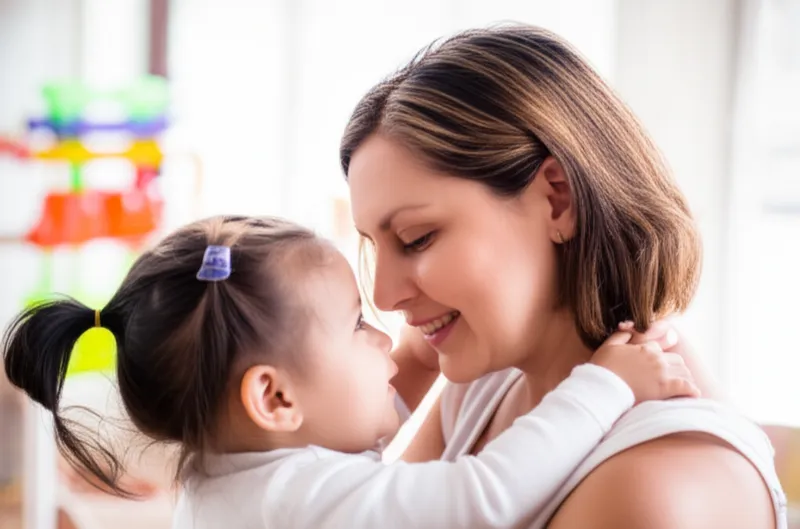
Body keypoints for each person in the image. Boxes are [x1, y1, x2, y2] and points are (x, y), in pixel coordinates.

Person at [341, 24, 787, 528]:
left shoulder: (657, 490)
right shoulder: (485, 385)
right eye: (373, 245)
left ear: (559, 199)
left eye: (418, 238)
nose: (384, 295)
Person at [2, 215, 698, 529]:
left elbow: (358, 446)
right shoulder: (294, 499)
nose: (384, 333)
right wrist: (607, 384)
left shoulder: (242, 474)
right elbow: (483, 495)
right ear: (273, 396)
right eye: (357, 324)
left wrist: (425, 359)